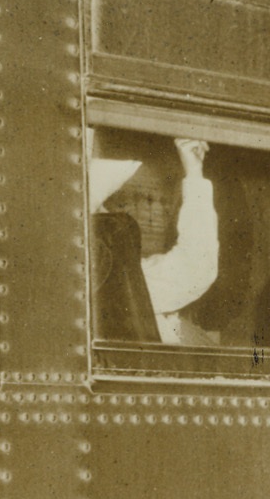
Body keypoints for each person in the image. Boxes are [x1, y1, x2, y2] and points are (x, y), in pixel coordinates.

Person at [90, 137, 218, 345]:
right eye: (135, 200)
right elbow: (194, 269)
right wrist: (194, 175)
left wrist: (194, 174)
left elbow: (193, 267)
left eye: (163, 203)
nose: (153, 215)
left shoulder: (128, 272)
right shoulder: (103, 263)